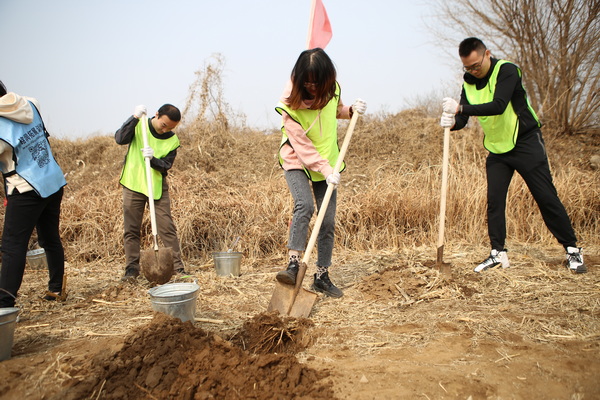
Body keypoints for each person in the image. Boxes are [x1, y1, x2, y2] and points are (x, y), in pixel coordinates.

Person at [440, 37, 586, 274]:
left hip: (525, 142)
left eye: (477, 65)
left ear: (487, 54)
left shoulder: (507, 70)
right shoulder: (468, 83)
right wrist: (452, 122)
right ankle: (498, 253)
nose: (473, 71)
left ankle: (572, 249)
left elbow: (498, 105)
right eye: (468, 68)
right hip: (497, 149)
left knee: (546, 197)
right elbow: (463, 119)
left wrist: (460, 108)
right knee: (495, 201)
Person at [274, 48, 367, 298]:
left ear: (327, 78)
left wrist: (350, 111)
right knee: (304, 205)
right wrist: (324, 169)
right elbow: (302, 146)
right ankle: (293, 265)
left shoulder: (332, 89)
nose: (312, 87)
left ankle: (322, 276)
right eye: (307, 82)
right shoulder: (288, 105)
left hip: (328, 160)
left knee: (326, 221)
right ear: (300, 78)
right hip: (297, 160)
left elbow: (334, 110)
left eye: (317, 82)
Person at [0, 80, 68, 307]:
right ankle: (56, 289)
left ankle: (4, 303)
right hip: (52, 180)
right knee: (50, 238)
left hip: (26, 188)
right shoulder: (30, 103)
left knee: (13, 245)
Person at [115, 104, 186, 281]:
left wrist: (153, 159)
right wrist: (134, 117)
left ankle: (177, 268)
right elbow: (120, 138)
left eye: (170, 127)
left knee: (167, 227)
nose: (166, 130)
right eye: (164, 125)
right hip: (133, 183)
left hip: (156, 187)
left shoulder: (172, 140)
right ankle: (131, 270)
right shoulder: (139, 125)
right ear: (156, 115)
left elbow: (166, 165)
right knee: (131, 229)